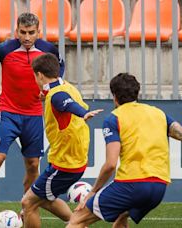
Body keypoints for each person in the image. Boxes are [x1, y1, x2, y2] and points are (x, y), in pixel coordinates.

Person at [0, 12, 65, 227]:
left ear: (38, 32)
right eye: (23, 32)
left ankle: (26, 208)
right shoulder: (6, 49)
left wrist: (51, 90)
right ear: (16, 31)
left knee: (33, 165)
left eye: (31, 33)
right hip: (8, 112)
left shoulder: (48, 50)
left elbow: (60, 68)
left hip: (33, 115)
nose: (27, 37)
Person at [67, 73, 182, 228]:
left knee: (77, 219)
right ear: (137, 93)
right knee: (121, 219)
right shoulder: (158, 113)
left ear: (114, 96)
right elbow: (179, 132)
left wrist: (93, 191)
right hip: (159, 187)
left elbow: (110, 165)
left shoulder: (114, 118)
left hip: (131, 185)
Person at [20, 53, 102, 227]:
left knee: (28, 203)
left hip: (65, 163)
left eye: (35, 76)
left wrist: (82, 112)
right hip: (72, 159)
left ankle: (79, 223)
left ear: (40, 75)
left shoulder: (56, 94)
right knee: (45, 199)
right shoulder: (66, 86)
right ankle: (78, 223)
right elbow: (64, 98)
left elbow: (65, 103)